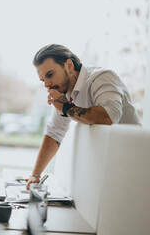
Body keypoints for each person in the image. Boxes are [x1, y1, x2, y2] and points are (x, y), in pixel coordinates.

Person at [26, 44, 141, 189]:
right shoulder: (63, 93)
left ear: (69, 65)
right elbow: (54, 133)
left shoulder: (102, 77)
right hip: (106, 166)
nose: (47, 85)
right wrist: (35, 176)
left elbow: (108, 118)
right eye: (43, 80)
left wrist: (66, 107)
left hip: (133, 163)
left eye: (50, 74)